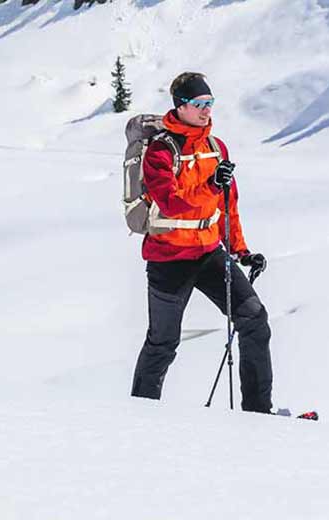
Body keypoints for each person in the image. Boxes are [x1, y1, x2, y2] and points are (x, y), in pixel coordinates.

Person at [130, 72, 272, 413]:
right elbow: (172, 202)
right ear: (181, 107)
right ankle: (136, 417)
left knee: (255, 319)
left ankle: (259, 413)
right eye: (200, 105)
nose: (207, 111)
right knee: (163, 342)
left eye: (210, 104)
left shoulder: (215, 147)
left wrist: (240, 250)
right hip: (168, 259)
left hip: (210, 252)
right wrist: (210, 185)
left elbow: (228, 205)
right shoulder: (161, 152)